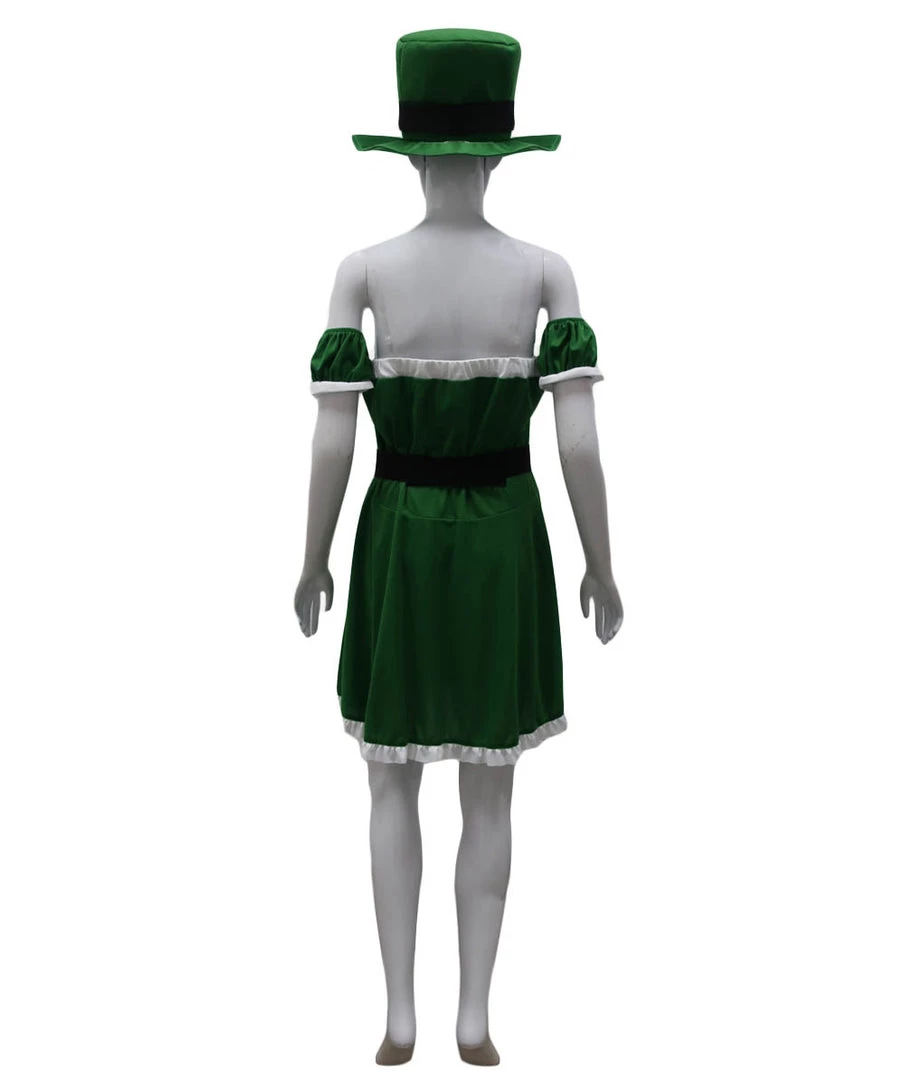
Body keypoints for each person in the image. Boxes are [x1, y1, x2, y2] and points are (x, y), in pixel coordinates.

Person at [295, 30, 622, 1067]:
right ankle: (472, 1016)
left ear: (410, 154)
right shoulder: (544, 272)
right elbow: (577, 441)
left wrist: (311, 558)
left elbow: (334, 437)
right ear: (496, 153)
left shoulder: (362, 271)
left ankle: (400, 1015)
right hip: (503, 540)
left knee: (388, 782)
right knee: (491, 786)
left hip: (394, 532)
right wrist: (601, 563)